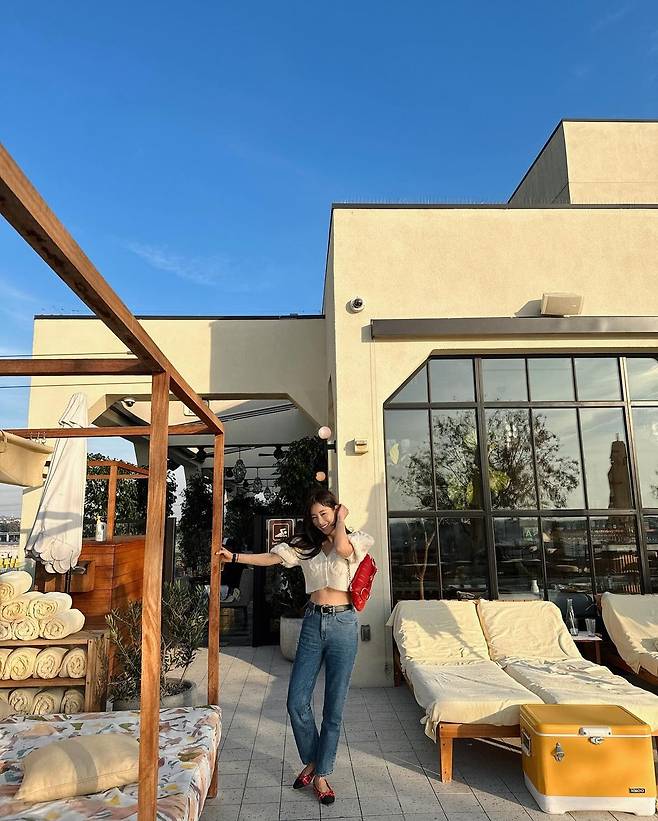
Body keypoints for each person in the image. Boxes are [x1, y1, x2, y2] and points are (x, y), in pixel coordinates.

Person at [217, 488, 373, 805]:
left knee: (333, 708)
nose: (319, 521)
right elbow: (272, 558)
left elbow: (342, 548)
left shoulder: (357, 539)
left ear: (336, 510)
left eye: (324, 514)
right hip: (313, 622)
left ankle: (321, 774)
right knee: (296, 701)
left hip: (344, 624)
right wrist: (234, 557)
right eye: (314, 517)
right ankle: (313, 760)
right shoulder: (305, 546)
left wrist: (341, 521)